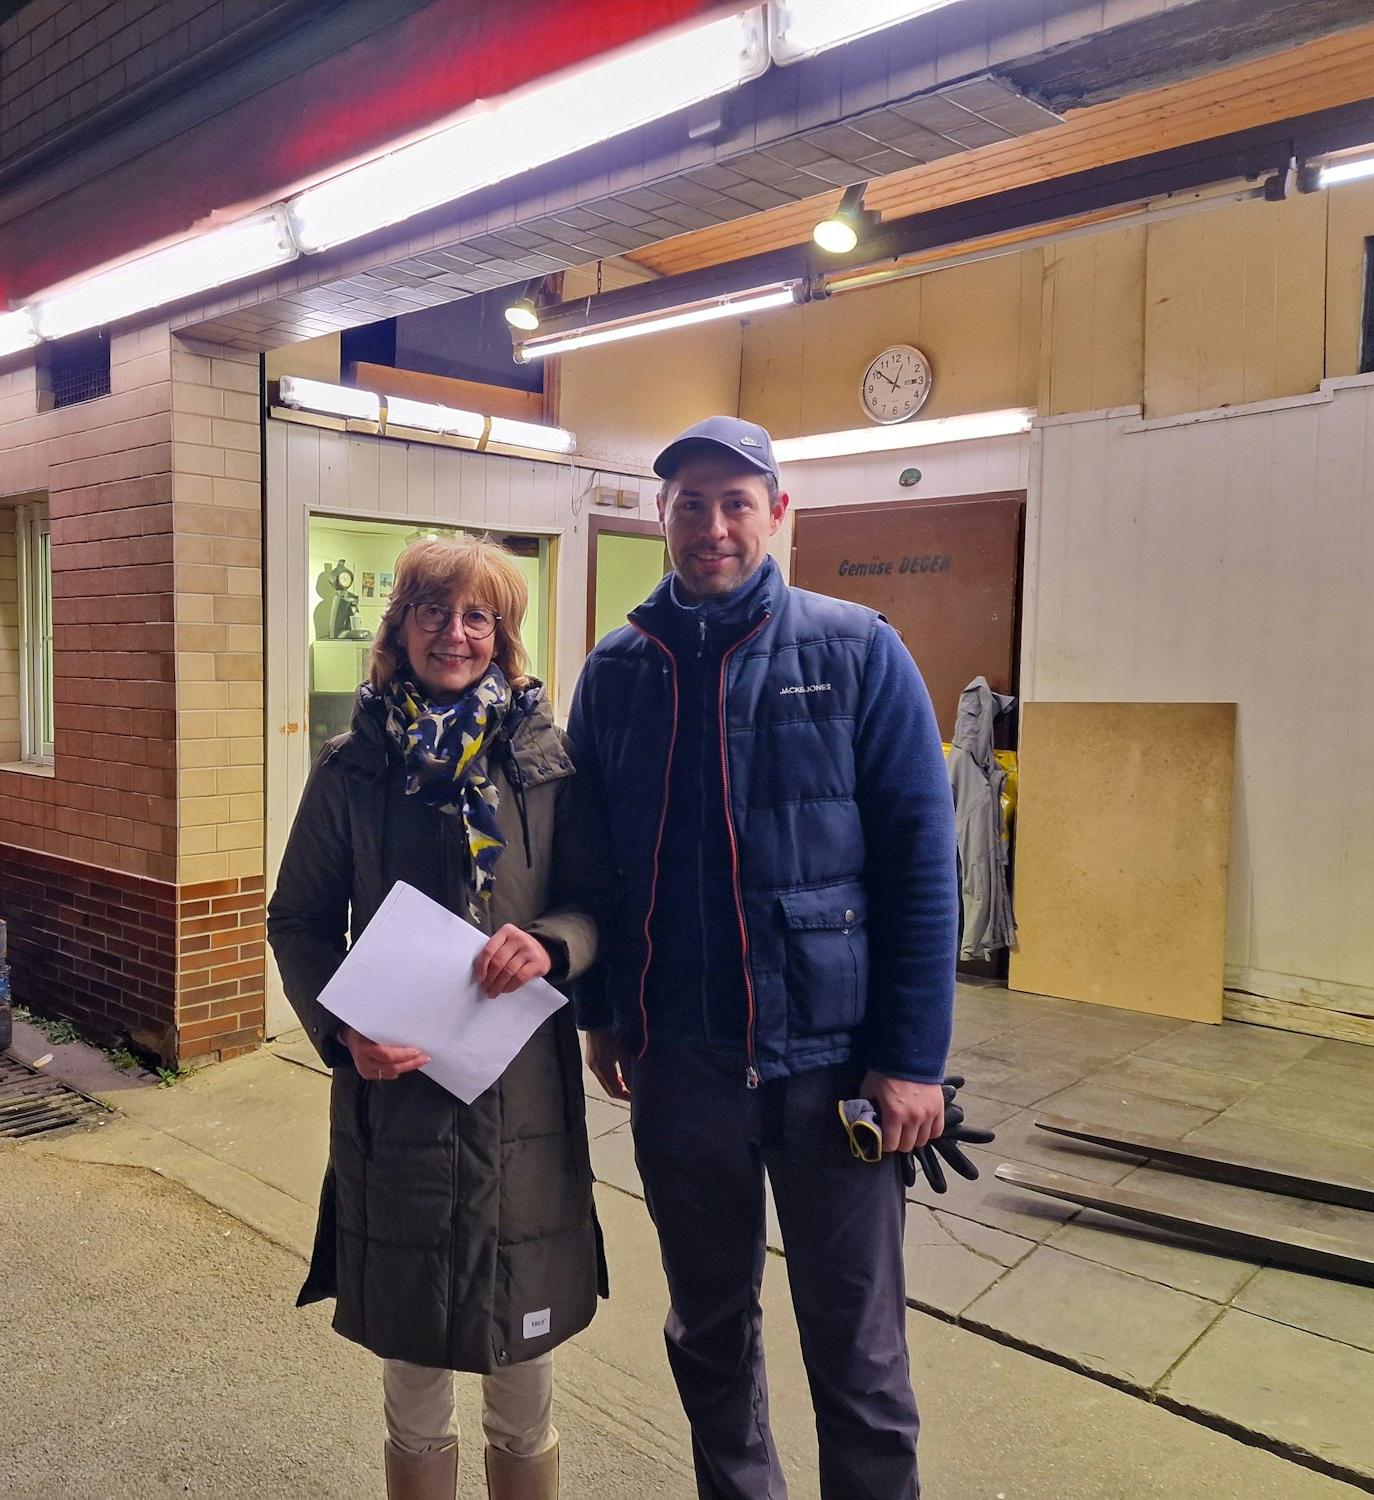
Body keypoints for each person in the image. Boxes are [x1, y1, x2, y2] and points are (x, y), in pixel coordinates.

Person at [568, 416, 959, 1500]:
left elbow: (923, 867)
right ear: (661, 517)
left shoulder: (856, 649)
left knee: (859, 1352)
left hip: (829, 1071)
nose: (712, 526)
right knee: (707, 1330)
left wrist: (911, 1058)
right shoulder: (616, 669)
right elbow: (594, 867)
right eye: (689, 503)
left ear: (777, 512)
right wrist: (602, 1013)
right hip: (680, 1067)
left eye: (735, 502)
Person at [268, 535, 606, 1500]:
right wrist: (342, 1035)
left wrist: (552, 943)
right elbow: (297, 918)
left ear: (502, 639)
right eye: (432, 610)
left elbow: (595, 903)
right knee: (413, 1370)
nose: (453, 634)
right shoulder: (354, 769)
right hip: (401, 1098)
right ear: (399, 626)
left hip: (522, 1102)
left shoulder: (546, 764)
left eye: (477, 617)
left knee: (522, 1365)